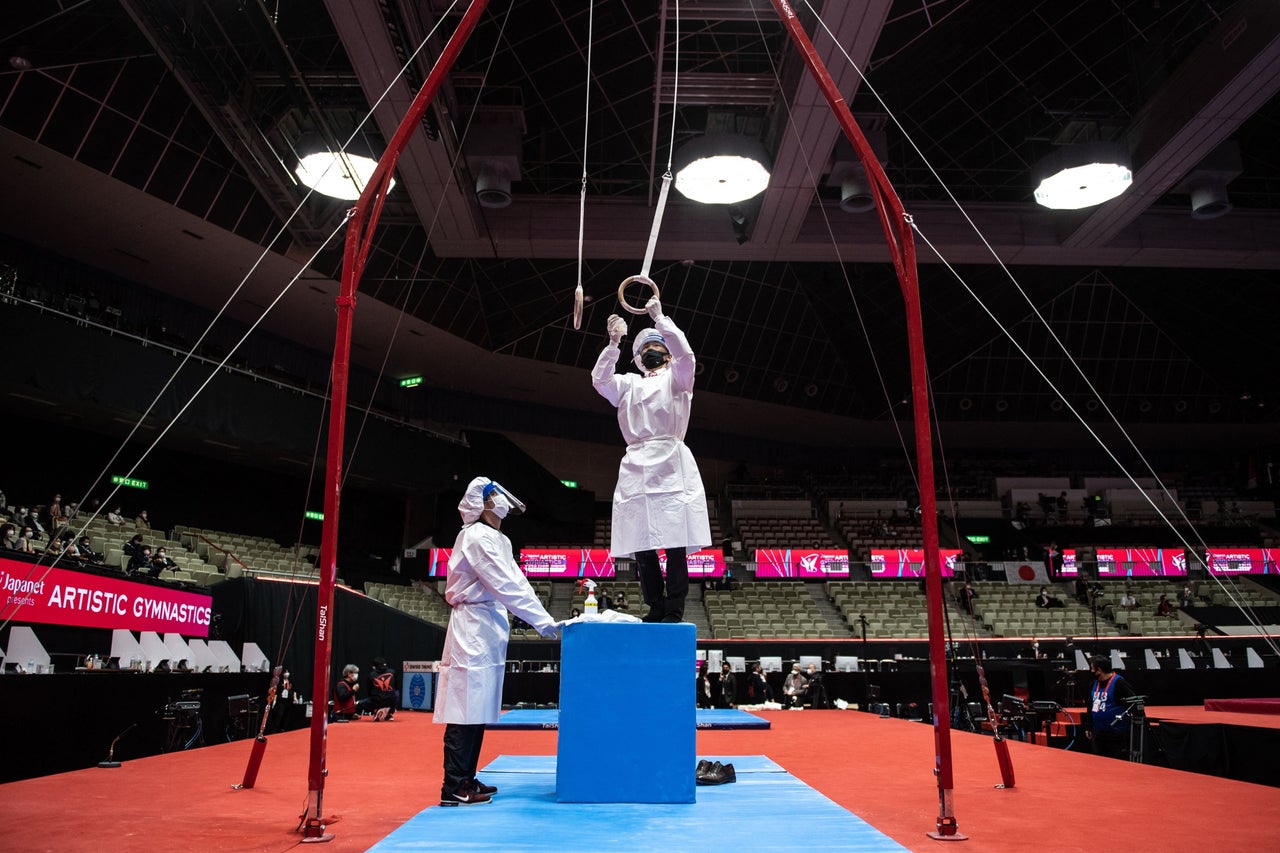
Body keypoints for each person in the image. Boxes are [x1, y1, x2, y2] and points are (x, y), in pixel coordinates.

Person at [434, 476, 560, 807]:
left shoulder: (498, 539)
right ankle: (454, 785)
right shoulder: (475, 537)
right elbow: (505, 584)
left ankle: (467, 777)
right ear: (482, 503)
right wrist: (542, 621)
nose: (502, 500)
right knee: (463, 709)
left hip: (489, 625)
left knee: (479, 708)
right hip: (472, 626)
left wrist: (542, 615)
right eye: (494, 495)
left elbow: (516, 580)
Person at [591, 296, 712, 623]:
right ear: (637, 359)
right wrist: (614, 343)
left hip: (672, 462)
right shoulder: (628, 385)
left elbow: (688, 355)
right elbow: (600, 380)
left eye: (656, 344)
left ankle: (673, 608)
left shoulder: (679, 378)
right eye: (643, 348)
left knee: (674, 546)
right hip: (635, 466)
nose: (650, 350)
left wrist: (661, 320)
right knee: (642, 547)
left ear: (667, 352)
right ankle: (655, 606)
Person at [1085, 656, 1137, 759]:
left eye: (1092, 668)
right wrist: (1088, 726)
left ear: (1099, 670)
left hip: (1116, 733)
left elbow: (1133, 702)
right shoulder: (1094, 684)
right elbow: (1090, 705)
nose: (1090, 671)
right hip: (1098, 732)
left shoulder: (1119, 683)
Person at [366, 657, 399, 721]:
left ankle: (376, 711)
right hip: (391, 700)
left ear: (374, 667)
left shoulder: (371, 675)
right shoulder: (393, 672)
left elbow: (369, 691)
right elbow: (397, 687)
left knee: (363, 702)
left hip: (377, 701)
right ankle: (389, 713)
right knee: (396, 693)